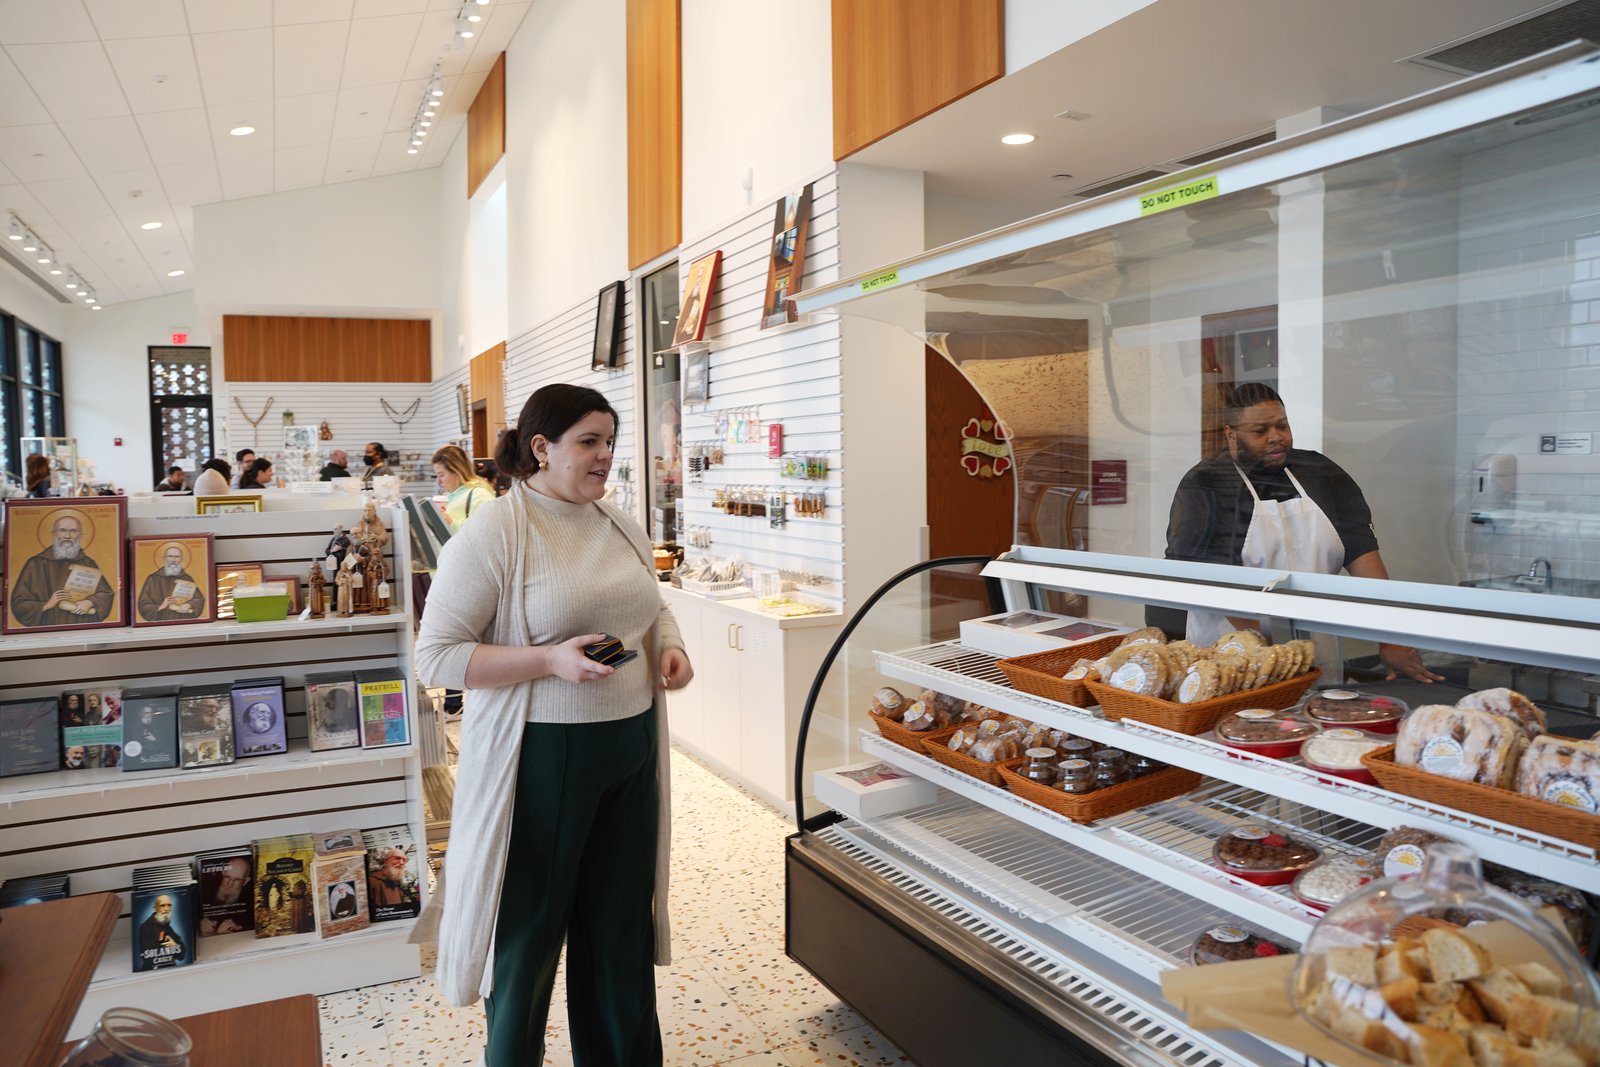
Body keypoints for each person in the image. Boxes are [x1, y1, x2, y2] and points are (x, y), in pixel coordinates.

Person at [415, 383, 694, 1066]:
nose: (605, 456)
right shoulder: (496, 532)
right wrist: (548, 659)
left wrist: (670, 643)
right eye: (588, 442)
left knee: (619, 929)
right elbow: (439, 655)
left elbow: (649, 606)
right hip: (543, 757)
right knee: (529, 939)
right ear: (542, 448)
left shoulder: (618, 521)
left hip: (629, 750)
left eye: (609, 440)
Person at [1162, 383, 1440, 683]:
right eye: (1260, 431)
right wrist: (1274, 659)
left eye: (1282, 425)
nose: (1276, 437)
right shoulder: (1207, 485)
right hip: (1234, 659)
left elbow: (1363, 554)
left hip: (1315, 654)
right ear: (1231, 434)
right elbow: (1208, 582)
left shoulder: (1320, 473)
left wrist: (1391, 637)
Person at [8, 513, 115, 627]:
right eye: (62, 530)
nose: (67, 536)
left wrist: (90, 602)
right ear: (54, 533)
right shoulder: (36, 564)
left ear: (80, 535)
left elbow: (106, 593)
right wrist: (47, 605)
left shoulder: (87, 563)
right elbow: (18, 603)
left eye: (73, 531)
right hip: (47, 628)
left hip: (80, 626)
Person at [432, 444, 495, 532]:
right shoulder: (449, 495)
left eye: (441, 475)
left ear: (457, 471)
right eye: (437, 476)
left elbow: (485, 532)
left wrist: (451, 523)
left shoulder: (479, 495)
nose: (438, 481)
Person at [137, 542, 206, 622]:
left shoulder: (187, 578)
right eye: (170, 556)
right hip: (161, 622)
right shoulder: (153, 579)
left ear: (181, 559)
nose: (173, 560)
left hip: (183, 621)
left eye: (177, 557)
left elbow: (199, 599)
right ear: (164, 558)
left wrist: (189, 604)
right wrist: (162, 606)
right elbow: (143, 605)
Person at [137, 894, 186, 968]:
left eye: (169, 905)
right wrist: (174, 949)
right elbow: (147, 956)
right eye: (162, 905)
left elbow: (182, 955)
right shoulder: (145, 927)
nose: (166, 909)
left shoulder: (166, 925)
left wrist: (174, 946)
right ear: (155, 908)